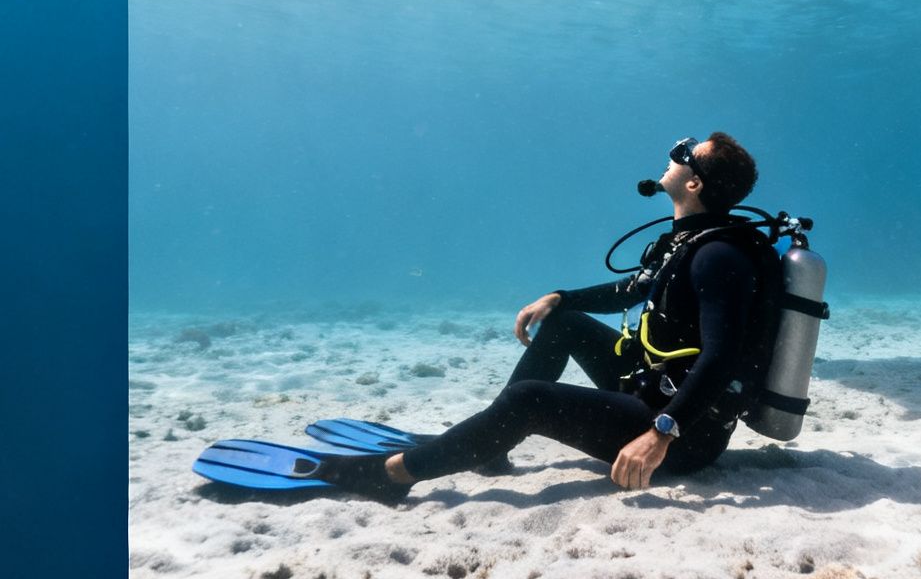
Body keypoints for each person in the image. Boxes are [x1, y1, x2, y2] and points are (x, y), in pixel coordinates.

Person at [308, 132, 769, 500]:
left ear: (694, 184)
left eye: (685, 153)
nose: (673, 154)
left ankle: (390, 477)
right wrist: (561, 297)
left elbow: (722, 358)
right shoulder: (687, 243)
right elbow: (632, 290)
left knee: (528, 399)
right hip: (651, 391)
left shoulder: (718, 257)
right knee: (565, 325)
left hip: (682, 434)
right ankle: (491, 446)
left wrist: (662, 433)